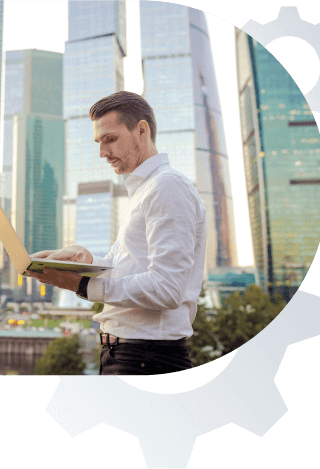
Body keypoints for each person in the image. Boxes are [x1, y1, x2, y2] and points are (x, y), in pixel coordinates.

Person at [26, 91, 207, 376]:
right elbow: (128, 266)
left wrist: (82, 285)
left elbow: (167, 288)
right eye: (99, 142)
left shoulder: (166, 187)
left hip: (147, 358)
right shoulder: (144, 190)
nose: (102, 152)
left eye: (110, 139)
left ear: (141, 130)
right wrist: (84, 261)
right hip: (127, 354)